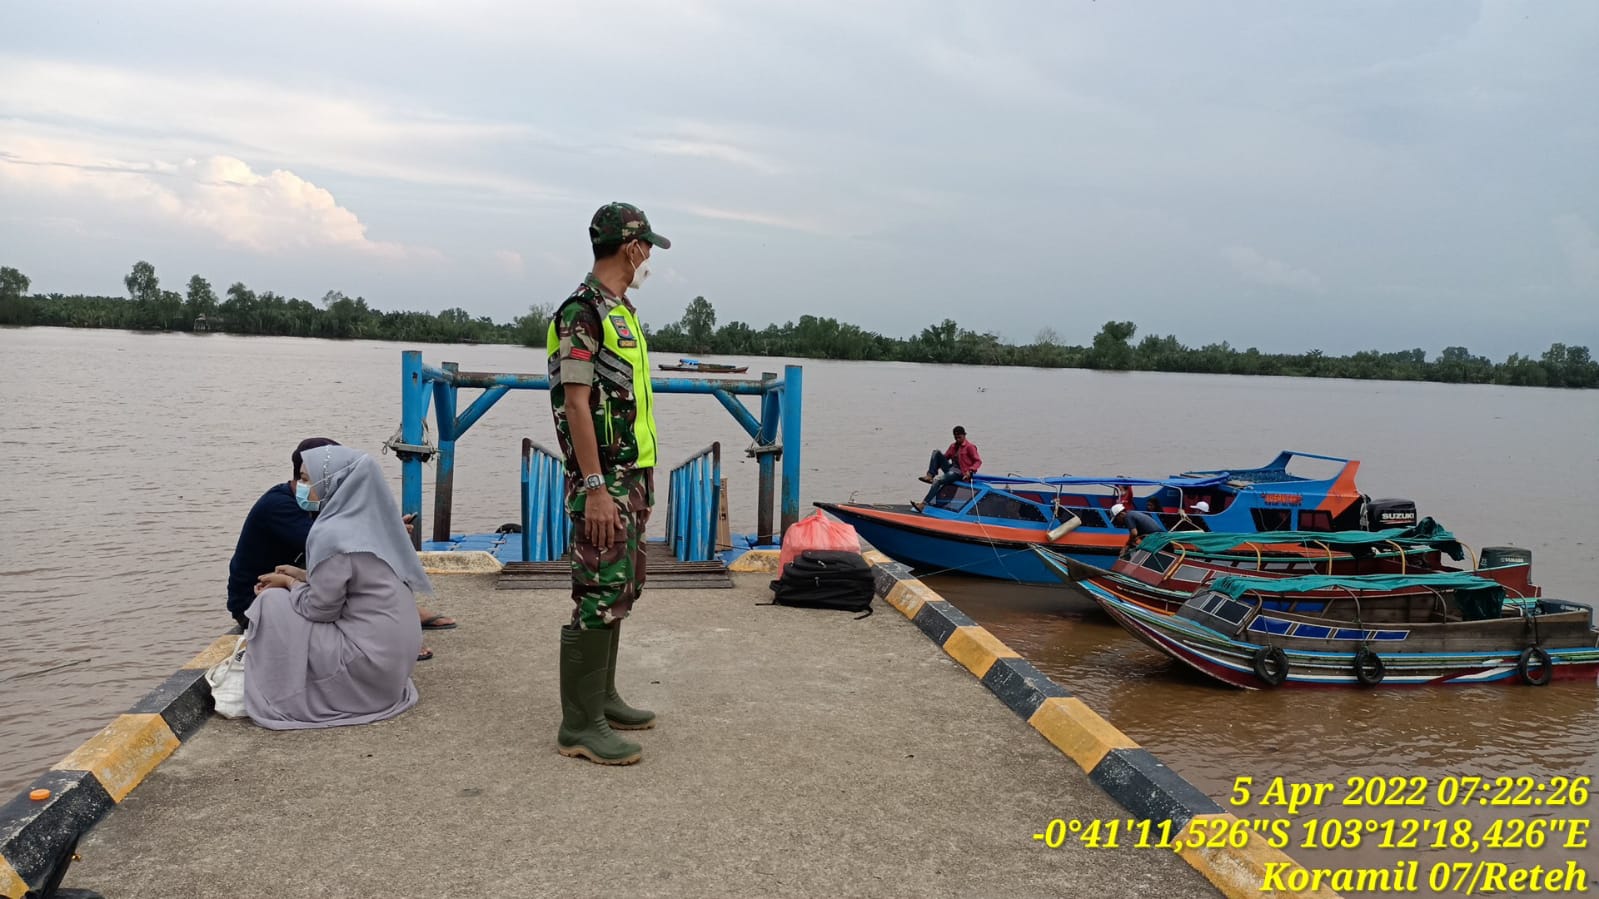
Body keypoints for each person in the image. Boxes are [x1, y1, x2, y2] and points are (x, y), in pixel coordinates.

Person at [544, 201, 670, 766]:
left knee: (623, 587)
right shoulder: (582, 312)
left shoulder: (622, 310)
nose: (647, 259)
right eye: (646, 248)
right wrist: (594, 485)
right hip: (605, 480)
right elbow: (576, 402)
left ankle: (604, 698)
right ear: (632, 247)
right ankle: (579, 725)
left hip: (632, 475)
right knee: (597, 593)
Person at [243, 445, 427, 730]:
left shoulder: (331, 533)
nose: (301, 488)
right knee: (282, 595)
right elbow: (353, 580)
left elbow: (320, 610)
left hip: (367, 664)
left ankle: (279, 688)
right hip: (393, 664)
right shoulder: (375, 525)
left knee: (271, 602)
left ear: (331, 482)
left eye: (307, 479)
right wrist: (302, 575)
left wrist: (289, 583)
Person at [226, 437, 454, 660]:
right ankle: (391, 634)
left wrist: (384, 530)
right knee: (354, 578)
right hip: (254, 597)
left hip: (305, 582)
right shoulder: (279, 506)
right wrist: (383, 534)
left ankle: (395, 629)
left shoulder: (323, 503)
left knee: (363, 573)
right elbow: (338, 550)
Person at [913, 425, 981, 512]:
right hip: (952, 468)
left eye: (959, 437)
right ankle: (930, 475)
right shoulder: (953, 446)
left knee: (937, 481)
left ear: (964, 435)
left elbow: (978, 461)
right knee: (936, 452)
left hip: (961, 473)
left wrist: (970, 471)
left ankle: (923, 504)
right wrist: (937, 462)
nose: (958, 440)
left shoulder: (970, 447)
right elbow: (945, 457)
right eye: (956, 438)